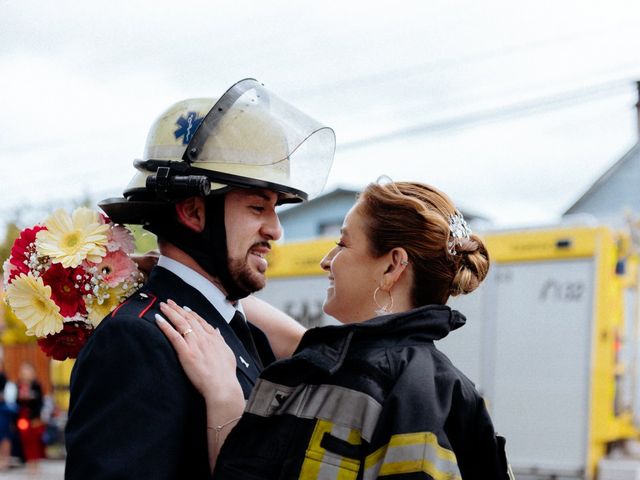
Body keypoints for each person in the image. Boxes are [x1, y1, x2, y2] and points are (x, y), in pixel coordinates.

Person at [64, 79, 335, 479]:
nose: (275, 230)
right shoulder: (137, 341)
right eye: (258, 206)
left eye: (275, 209)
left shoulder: (240, 330)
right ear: (193, 213)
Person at [158, 180, 515, 479]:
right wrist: (193, 283)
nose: (326, 260)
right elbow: (307, 346)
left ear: (393, 266)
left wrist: (224, 397)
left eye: (343, 243)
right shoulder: (424, 378)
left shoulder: (379, 385)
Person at [15, 362, 45, 473]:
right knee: (25, 441)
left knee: (35, 442)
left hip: (34, 418)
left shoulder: (36, 386)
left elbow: (40, 402)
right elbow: (16, 402)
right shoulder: (18, 385)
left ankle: (36, 464)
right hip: (23, 418)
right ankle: (29, 463)